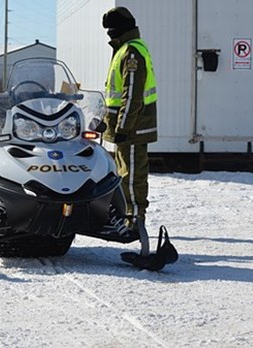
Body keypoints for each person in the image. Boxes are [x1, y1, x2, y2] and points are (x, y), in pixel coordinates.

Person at [101, 7, 158, 248]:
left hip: (132, 128)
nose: (109, 34)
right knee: (122, 174)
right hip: (123, 127)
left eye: (111, 29)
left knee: (133, 176)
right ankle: (125, 216)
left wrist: (123, 126)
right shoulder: (124, 49)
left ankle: (135, 220)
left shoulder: (131, 52)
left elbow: (132, 94)